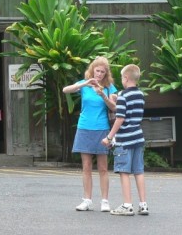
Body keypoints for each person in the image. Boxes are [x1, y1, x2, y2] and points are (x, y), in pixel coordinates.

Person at [62, 56, 118, 212]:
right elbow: (65, 90)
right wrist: (85, 83)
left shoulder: (109, 87)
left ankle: (105, 201)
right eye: (97, 70)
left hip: (101, 129)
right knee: (86, 166)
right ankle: (87, 200)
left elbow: (114, 107)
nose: (99, 74)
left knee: (103, 167)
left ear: (106, 74)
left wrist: (103, 95)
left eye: (102, 72)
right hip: (84, 127)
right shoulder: (84, 84)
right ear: (92, 70)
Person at [101, 64, 148, 216]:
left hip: (125, 139)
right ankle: (143, 204)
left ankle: (127, 205)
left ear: (126, 78)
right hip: (138, 137)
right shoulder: (140, 95)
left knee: (124, 171)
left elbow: (120, 118)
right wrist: (117, 97)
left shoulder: (123, 97)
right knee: (138, 171)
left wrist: (109, 137)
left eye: (122, 77)